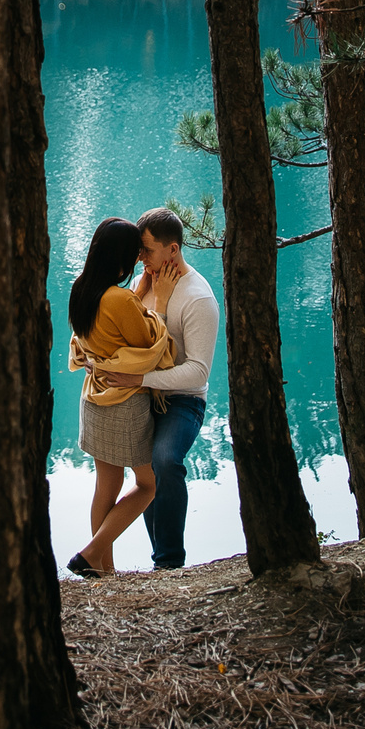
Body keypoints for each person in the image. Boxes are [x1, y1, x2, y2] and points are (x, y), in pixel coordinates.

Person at [92, 208, 218, 571]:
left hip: (182, 400)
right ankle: (115, 561)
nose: (139, 258)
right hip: (142, 396)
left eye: (145, 250)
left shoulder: (198, 298)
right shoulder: (142, 285)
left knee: (164, 461)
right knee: (139, 473)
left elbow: (197, 373)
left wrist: (140, 379)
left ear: (172, 250)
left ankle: (169, 563)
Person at [62, 217, 174, 577]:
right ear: (123, 259)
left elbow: (110, 328)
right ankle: (91, 553)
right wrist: (162, 301)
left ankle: (104, 570)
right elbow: (149, 343)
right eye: (136, 253)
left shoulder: (83, 289)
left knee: (106, 487)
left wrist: (138, 294)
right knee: (148, 485)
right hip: (123, 404)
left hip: (94, 400)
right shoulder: (120, 299)